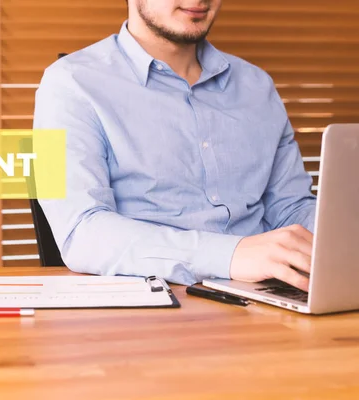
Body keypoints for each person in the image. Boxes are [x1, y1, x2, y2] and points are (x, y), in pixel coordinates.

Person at [32, 0, 316, 291]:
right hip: (151, 304)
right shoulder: (68, 83)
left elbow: (291, 208)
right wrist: (230, 255)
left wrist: (340, 235)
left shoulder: (256, 85)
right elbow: (81, 233)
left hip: (271, 295)